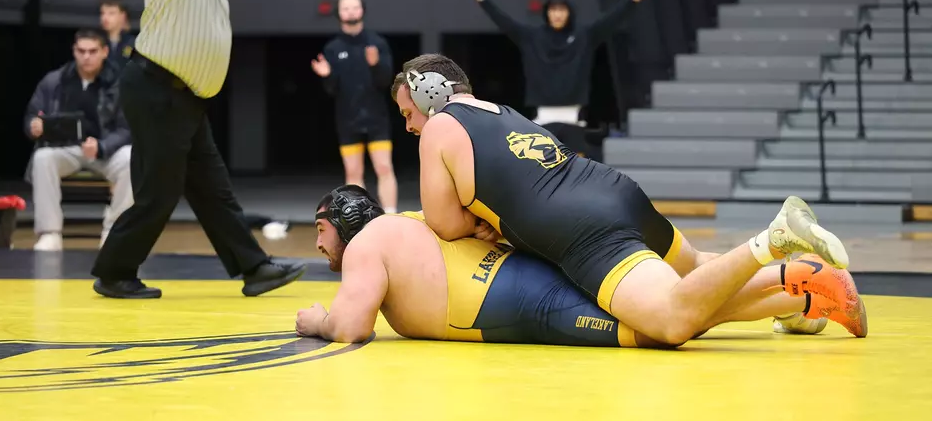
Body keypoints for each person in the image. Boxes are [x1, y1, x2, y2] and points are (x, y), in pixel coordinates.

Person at [388, 54, 867, 345]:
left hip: (583, 232)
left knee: (673, 321)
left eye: (408, 112)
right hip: (614, 191)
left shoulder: (440, 128)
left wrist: (477, 226)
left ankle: (776, 243)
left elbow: (444, 223)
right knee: (696, 271)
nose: (409, 125)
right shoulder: (506, 111)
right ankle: (803, 294)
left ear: (428, 92)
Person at [294, 185, 862, 345]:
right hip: (513, 279)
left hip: (509, 301)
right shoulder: (408, 221)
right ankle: (802, 293)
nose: (318, 245)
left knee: (661, 325)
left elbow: (351, 327)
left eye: (320, 231)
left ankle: (787, 269)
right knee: (662, 311)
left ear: (343, 221)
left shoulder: (368, 242)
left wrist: (315, 319)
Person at [90, 0, 306, 299]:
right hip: (157, 90)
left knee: (212, 188)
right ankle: (114, 272)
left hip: (184, 99)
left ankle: (255, 268)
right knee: (159, 192)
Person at [459, 0, 655, 127]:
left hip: (575, 117)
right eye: (553, 9)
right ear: (546, 12)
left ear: (570, 12)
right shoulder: (531, 37)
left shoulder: (584, 36)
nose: (557, 14)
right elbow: (503, 21)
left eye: (562, 9)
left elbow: (611, 20)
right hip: (542, 117)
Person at [23, 29, 133, 251]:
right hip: (66, 149)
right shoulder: (55, 80)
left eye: (92, 51)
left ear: (104, 52)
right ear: (74, 51)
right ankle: (49, 233)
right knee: (43, 157)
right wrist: (33, 126)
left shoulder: (120, 83)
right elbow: (32, 115)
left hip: (105, 151)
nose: (86, 56)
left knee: (132, 158)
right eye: (81, 51)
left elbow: (128, 128)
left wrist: (102, 146)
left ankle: (115, 232)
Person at [311, 0, 398, 213]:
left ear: (362, 10)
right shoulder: (333, 48)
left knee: (384, 167)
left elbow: (386, 81)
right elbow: (331, 90)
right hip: (347, 119)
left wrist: (376, 64)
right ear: (339, 13)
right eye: (345, 8)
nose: (350, 11)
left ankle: (390, 215)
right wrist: (327, 75)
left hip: (377, 118)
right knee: (353, 173)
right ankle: (359, 219)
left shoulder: (377, 43)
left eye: (354, 7)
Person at [99, 0, 137, 67]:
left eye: (111, 13)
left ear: (123, 16)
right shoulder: (97, 41)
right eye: (102, 13)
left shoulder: (133, 43)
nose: (105, 18)